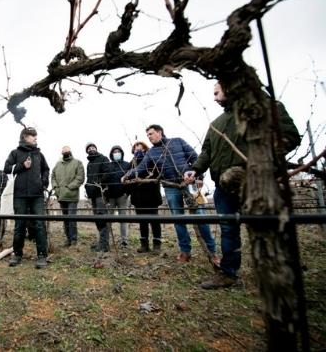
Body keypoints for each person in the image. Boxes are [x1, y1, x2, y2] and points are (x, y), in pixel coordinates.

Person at [184, 82, 301, 289]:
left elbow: (290, 136)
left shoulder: (262, 109)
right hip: (223, 187)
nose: (214, 98)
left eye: (216, 92)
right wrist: (195, 169)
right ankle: (229, 273)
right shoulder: (216, 124)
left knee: (266, 227)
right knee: (228, 229)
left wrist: (262, 160)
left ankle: (279, 275)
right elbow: (207, 152)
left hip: (255, 182)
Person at [122, 124, 218, 263]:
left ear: (160, 132)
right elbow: (141, 168)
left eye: (151, 133)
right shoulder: (151, 153)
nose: (149, 137)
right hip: (170, 186)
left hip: (190, 184)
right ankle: (185, 251)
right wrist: (127, 175)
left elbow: (195, 158)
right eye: (147, 135)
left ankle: (212, 252)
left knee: (201, 217)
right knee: (178, 220)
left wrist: (198, 177)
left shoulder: (177, 141)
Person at [4, 127, 50, 269]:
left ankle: (42, 255)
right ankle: (17, 254)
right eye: (32, 136)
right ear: (25, 137)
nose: (35, 138)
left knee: (39, 224)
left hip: (37, 195)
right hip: (20, 195)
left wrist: (43, 183)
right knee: (19, 225)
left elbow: (46, 170)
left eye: (36, 135)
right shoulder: (15, 153)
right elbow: (6, 168)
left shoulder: (39, 154)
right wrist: (22, 166)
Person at [127, 141, 163, 253]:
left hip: (151, 195)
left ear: (145, 149)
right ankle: (144, 245)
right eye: (135, 147)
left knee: (154, 221)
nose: (137, 149)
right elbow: (128, 178)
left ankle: (157, 245)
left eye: (140, 147)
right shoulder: (131, 163)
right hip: (138, 197)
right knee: (142, 221)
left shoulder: (152, 160)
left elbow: (157, 175)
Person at [51, 145, 85, 247]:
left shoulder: (77, 163)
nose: (65, 152)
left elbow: (80, 178)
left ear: (71, 152)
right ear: (62, 153)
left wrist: (69, 187)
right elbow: (52, 177)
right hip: (61, 196)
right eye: (64, 151)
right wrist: (56, 188)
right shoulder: (57, 165)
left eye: (67, 151)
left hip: (72, 196)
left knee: (71, 219)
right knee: (65, 219)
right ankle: (68, 239)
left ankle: (74, 240)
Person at [84, 142, 111, 253]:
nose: (91, 149)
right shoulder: (89, 163)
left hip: (101, 193)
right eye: (89, 148)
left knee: (101, 218)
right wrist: (87, 188)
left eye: (93, 147)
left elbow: (108, 173)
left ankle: (104, 245)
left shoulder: (103, 158)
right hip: (93, 194)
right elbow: (89, 179)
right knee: (97, 218)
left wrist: (98, 184)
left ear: (96, 148)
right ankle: (102, 243)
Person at [105, 145, 131, 247]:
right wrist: (106, 195)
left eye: (118, 151)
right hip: (110, 197)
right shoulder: (108, 166)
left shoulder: (127, 165)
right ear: (111, 154)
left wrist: (127, 193)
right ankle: (106, 241)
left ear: (122, 153)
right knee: (108, 219)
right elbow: (104, 180)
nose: (116, 153)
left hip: (122, 196)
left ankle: (124, 241)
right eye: (114, 152)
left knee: (123, 219)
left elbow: (130, 179)